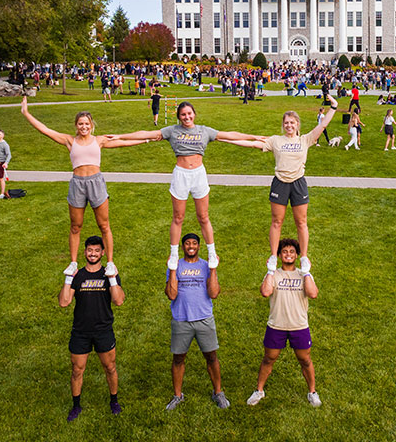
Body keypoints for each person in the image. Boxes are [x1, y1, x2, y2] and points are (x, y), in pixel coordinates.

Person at [107, 101, 264, 269]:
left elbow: (229, 135)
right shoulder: (172, 131)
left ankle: (212, 252)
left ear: (194, 114)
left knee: (203, 217)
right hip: (181, 175)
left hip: (199, 175)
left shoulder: (204, 131)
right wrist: (121, 136)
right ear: (179, 117)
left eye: (189, 113)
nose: (187, 117)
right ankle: (173, 254)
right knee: (178, 217)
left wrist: (253, 137)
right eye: (183, 114)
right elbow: (147, 133)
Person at [21, 96, 153, 278]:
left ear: (91, 125)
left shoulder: (99, 140)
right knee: (75, 226)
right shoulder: (69, 140)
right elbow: (44, 129)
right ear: (76, 125)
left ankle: (111, 263)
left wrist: (147, 140)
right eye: (81, 124)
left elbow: (123, 142)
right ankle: (73, 263)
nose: (84, 127)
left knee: (104, 225)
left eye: (87, 124)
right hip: (77, 184)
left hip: (96, 182)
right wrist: (26, 113)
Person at [228, 96, 338, 273]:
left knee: (301, 222)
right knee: (276, 221)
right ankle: (273, 256)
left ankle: (304, 257)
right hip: (280, 183)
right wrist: (226, 139)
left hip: (298, 183)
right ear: (283, 125)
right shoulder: (275, 140)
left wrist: (333, 107)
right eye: (286, 123)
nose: (289, 125)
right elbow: (253, 144)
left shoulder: (306, 139)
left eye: (292, 123)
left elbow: (322, 125)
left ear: (297, 125)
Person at [246, 239, 321, 408]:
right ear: (279, 255)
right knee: (268, 359)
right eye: (285, 251)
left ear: (297, 255)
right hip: (276, 326)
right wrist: (270, 271)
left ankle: (312, 392)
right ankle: (259, 391)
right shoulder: (273, 273)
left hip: (299, 326)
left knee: (305, 360)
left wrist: (307, 272)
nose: (288, 254)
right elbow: (265, 292)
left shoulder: (303, 274)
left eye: (292, 251)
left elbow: (313, 294)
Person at [59, 236, 125, 422]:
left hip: (103, 330)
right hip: (80, 332)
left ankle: (114, 401)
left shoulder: (109, 273)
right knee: (77, 370)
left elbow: (119, 300)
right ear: (85, 252)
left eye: (97, 250)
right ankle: (76, 406)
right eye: (90, 250)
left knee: (110, 367)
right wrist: (67, 278)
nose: (93, 253)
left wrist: (112, 279)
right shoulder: (78, 275)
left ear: (103, 252)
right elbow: (64, 302)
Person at [163, 233, 229, 411]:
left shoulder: (206, 266)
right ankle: (178, 396)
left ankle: (218, 392)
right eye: (187, 243)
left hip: (204, 319)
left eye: (194, 243)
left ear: (199, 246)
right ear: (183, 247)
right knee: (178, 359)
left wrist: (214, 269)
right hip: (181, 320)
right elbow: (171, 294)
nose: (190, 246)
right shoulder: (175, 266)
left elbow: (214, 293)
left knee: (211, 356)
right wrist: (173, 269)